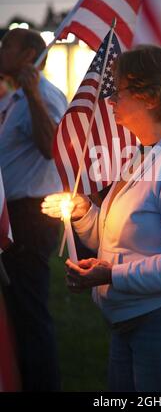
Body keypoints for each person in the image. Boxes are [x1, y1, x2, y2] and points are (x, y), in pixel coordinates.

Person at [42, 45, 161, 392]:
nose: (111, 100)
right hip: (137, 318)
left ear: (151, 96)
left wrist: (113, 275)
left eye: (119, 91)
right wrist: (85, 214)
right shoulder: (147, 154)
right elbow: (121, 238)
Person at [0, 28, 67, 391]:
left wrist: (35, 96)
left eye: (6, 46)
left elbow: (51, 148)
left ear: (30, 55)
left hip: (28, 217)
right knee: (14, 311)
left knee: (29, 310)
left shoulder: (44, 95)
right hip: (10, 216)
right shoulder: (13, 99)